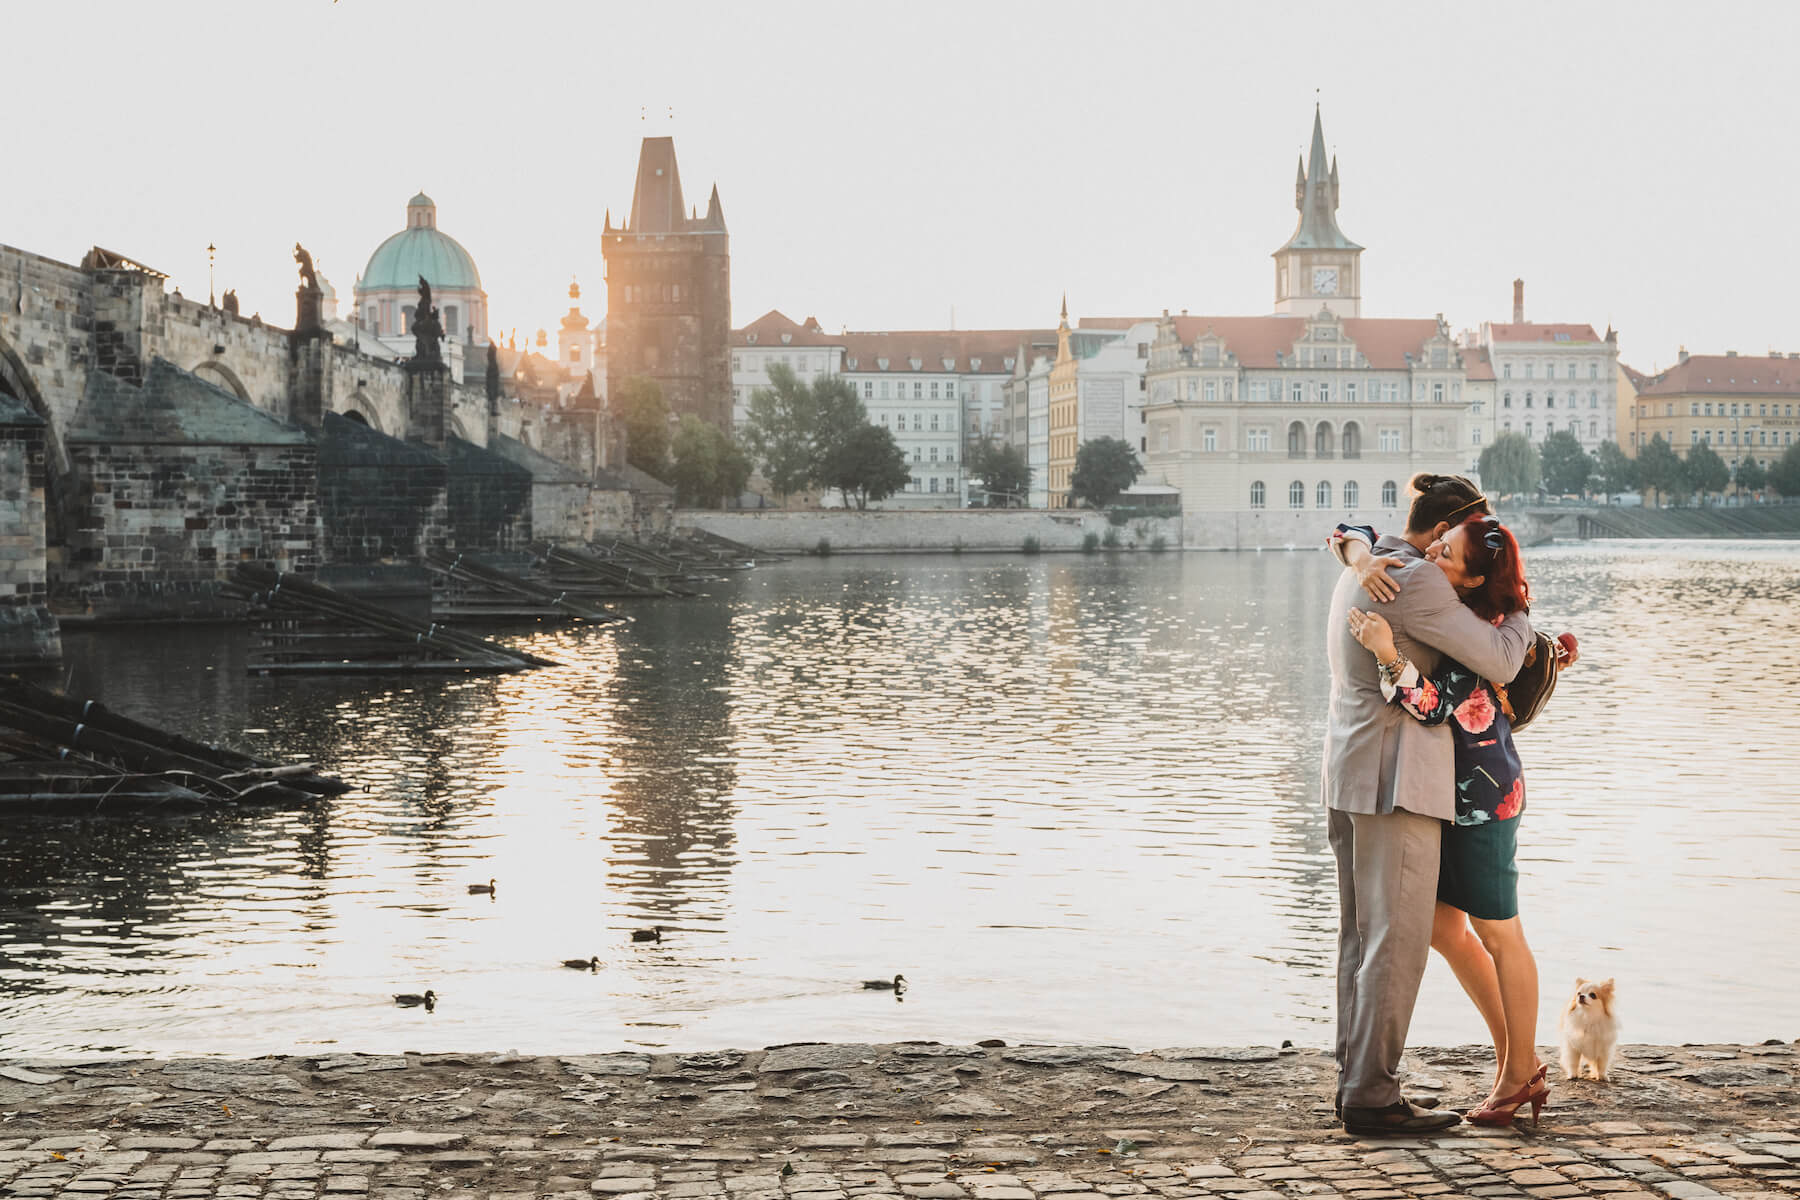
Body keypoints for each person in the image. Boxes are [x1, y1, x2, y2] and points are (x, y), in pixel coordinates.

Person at [1336, 513, 1574, 1129]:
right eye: (1437, 547)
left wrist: (1388, 654)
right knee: (1444, 930)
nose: (1431, 559)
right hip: (1451, 799)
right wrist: (1356, 549)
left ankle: (1519, 1071)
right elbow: (1354, 525)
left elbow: (1435, 706)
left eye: (1446, 556)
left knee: (1501, 935)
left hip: (1487, 801)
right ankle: (1516, 1063)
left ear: (1473, 579)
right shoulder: (1470, 620)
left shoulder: (1485, 631)